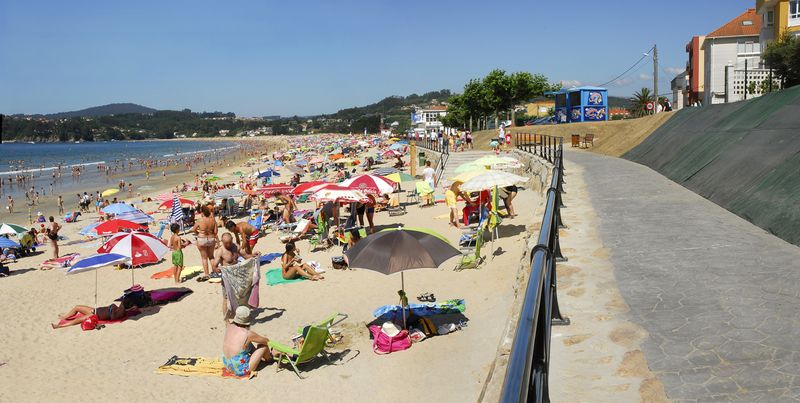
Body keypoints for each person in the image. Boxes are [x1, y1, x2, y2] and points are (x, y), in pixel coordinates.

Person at [212, 233, 256, 318]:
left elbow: (245, 255)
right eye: (226, 243)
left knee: (241, 295)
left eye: (229, 242)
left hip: (237, 275)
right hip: (227, 277)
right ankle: (226, 319)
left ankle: (239, 314)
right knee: (226, 298)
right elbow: (214, 265)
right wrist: (217, 270)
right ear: (222, 242)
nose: (228, 245)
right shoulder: (220, 251)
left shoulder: (236, 246)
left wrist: (253, 255)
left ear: (232, 239)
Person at [222, 306, 273, 377]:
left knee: (246, 344)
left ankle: (262, 357)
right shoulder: (248, 334)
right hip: (240, 370)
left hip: (227, 364)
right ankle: (269, 359)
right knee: (263, 346)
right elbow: (266, 341)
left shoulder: (229, 326)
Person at [51, 298, 135, 329]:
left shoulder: (119, 313)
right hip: (94, 310)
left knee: (77, 319)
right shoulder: (120, 310)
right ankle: (64, 317)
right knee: (77, 307)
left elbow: (112, 317)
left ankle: (59, 326)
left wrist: (112, 307)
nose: (121, 303)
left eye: (122, 303)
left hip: (95, 315)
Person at [192, 205, 218, 281]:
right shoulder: (213, 220)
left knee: (204, 258)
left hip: (201, 238)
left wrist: (198, 233)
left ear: (202, 213)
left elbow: (193, 230)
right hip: (211, 238)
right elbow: (216, 232)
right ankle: (214, 272)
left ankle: (207, 274)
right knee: (211, 256)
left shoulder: (199, 220)